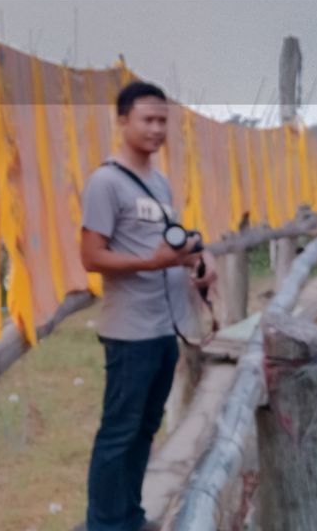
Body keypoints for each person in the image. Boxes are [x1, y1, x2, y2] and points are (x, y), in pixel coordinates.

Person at [78, 81, 217, 531]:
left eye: (163, 121)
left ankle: (130, 518)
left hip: (166, 328)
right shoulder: (105, 182)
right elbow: (91, 256)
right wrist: (151, 261)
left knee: (144, 431)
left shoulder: (160, 183)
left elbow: (173, 245)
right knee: (118, 435)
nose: (157, 129)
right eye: (147, 119)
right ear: (123, 121)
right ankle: (103, 525)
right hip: (129, 332)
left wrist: (200, 260)